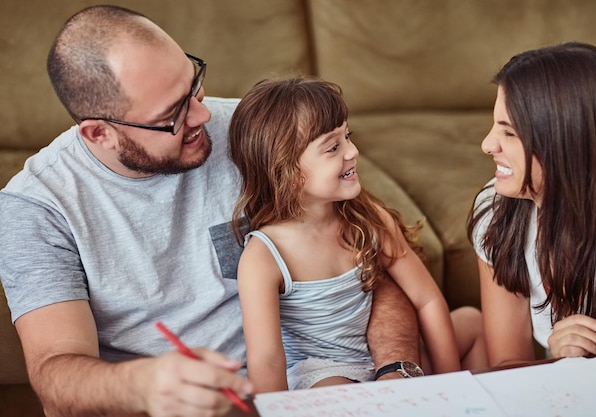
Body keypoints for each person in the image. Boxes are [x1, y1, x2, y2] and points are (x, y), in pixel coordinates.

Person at [0, 6, 421, 417]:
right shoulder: (36, 209)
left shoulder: (250, 130)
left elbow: (371, 260)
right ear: (99, 133)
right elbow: (56, 378)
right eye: (172, 116)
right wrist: (144, 384)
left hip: (313, 384)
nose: (203, 114)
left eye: (194, 85)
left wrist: (394, 369)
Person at [228, 76, 488, 393]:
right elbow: (266, 360)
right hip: (322, 375)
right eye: (333, 147)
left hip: (383, 361)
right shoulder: (264, 256)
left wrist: (449, 383)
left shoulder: (368, 218)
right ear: (287, 172)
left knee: (472, 322)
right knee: (339, 393)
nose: (352, 152)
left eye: (347, 137)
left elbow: (428, 300)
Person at [467, 41, 596, 367]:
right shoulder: (497, 210)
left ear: (565, 145)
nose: (487, 144)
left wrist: (585, 369)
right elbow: (508, 364)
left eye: (509, 133)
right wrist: (561, 367)